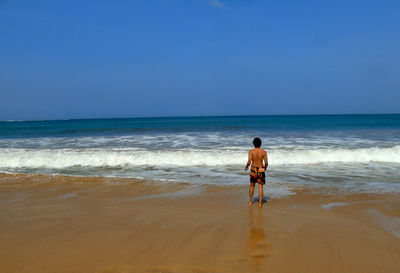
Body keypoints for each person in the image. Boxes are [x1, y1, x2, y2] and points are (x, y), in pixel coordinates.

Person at [244, 137, 268, 207]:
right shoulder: (264, 152)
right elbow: (266, 162)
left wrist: (246, 167)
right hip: (261, 169)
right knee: (260, 187)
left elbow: (249, 161)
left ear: (253, 143)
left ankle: (251, 201)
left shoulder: (251, 151)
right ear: (261, 144)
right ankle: (260, 204)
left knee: (252, 186)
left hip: (253, 169)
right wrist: (265, 168)